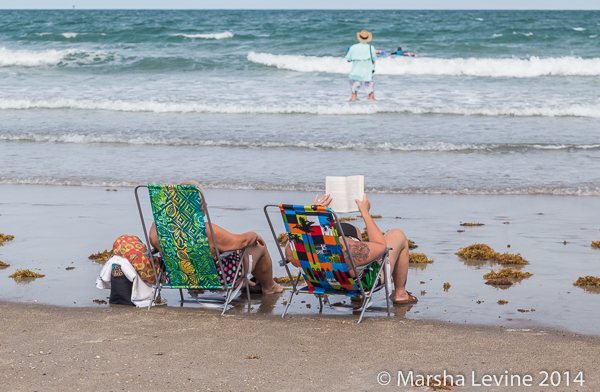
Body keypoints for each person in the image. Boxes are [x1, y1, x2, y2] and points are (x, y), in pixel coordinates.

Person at [149, 181, 283, 295]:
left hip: (180, 276)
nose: (205, 204)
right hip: (218, 279)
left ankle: (245, 282)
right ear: (190, 204)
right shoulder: (207, 231)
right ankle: (270, 287)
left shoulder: (158, 231)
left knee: (216, 250)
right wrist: (254, 234)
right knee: (257, 246)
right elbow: (243, 241)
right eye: (200, 201)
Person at [284, 194, 417, 305]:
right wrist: (365, 213)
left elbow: (293, 243)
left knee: (354, 230)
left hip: (319, 283)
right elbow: (380, 245)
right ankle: (401, 294)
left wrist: (313, 213)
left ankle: (357, 297)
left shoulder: (298, 248)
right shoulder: (351, 248)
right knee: (397, 234)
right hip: (361, 284)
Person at [345, 29, 377, 101]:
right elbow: (374, 60)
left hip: (356, 73)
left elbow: (348, 59)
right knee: (371, 94)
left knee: (354, 94)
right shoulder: (371, 48)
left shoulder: (353, 47)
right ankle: (372, 110)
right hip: (367, 74)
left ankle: (353, 110)